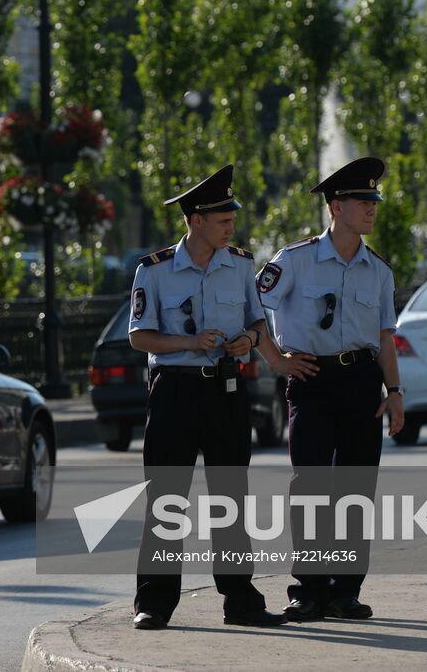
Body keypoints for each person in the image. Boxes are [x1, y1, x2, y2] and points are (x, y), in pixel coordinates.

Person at [129, 164, 319, 631]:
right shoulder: (152, 271)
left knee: (230, 500)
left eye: (231, 218)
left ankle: (241, 600)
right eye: (222, 219)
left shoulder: (238, 264)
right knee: (166, 499)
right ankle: (154, 601)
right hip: (175, 391)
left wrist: (249, 342)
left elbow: (258, 322)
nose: (231, 225)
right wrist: (190, 343)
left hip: (227, 391)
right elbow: (140, 337)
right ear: (195, 220)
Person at [256, 156, 405, 622]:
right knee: (312, 486)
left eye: (374, 201)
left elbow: (384, 337)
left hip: (361, 382)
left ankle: (346, 590)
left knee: (356, 489)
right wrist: (277, 360)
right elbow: (251, 306)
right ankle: (309, 589)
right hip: (312, 380)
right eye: (364, 201)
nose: (372, 209)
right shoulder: (294, 260)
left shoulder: (378, 271)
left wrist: (395, 391)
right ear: (336, 207)